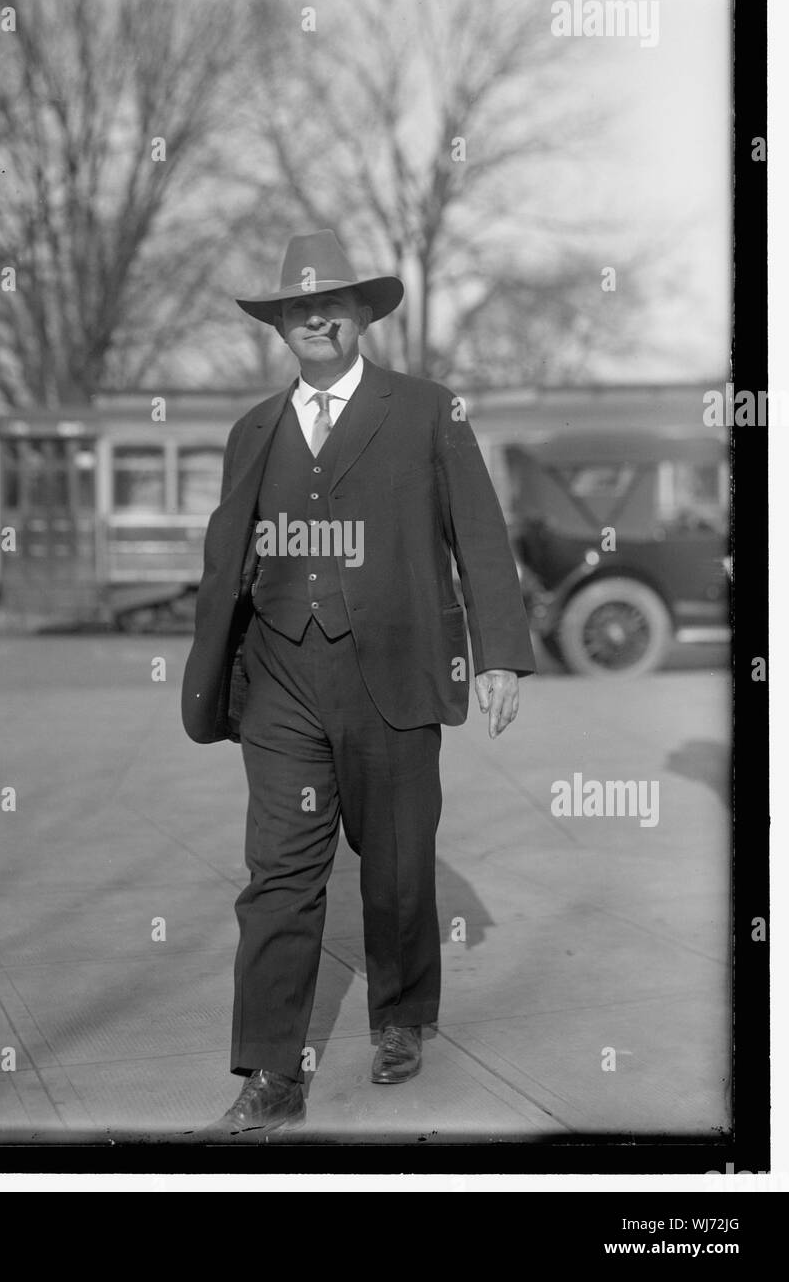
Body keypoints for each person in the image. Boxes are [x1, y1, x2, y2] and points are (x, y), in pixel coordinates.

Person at [181, 229, 535, 1136]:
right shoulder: (253, 430)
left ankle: (402, 1016)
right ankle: (270, 1073)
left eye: (333, 304)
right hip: (280, 684)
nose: (317, 319)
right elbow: (232, 554)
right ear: (283, 326)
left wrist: (498, 651)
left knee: (400, 867)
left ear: (364, 315)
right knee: (279, 879)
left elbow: (480, 538)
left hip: (395, 676)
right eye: (300, 308)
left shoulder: (427, 410)